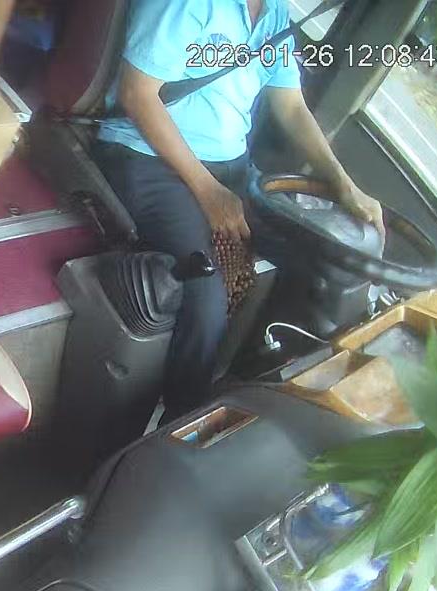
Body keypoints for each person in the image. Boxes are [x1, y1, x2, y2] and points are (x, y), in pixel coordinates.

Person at [93, 0, 383, 421]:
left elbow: (291, 105)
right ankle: (183, 422)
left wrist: (343, 183)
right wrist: (208, 191)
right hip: (145, 156)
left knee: (321, 258)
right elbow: (137, 94)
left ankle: (257, 387)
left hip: (232, 167)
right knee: (205, 297)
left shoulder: (275, 13)